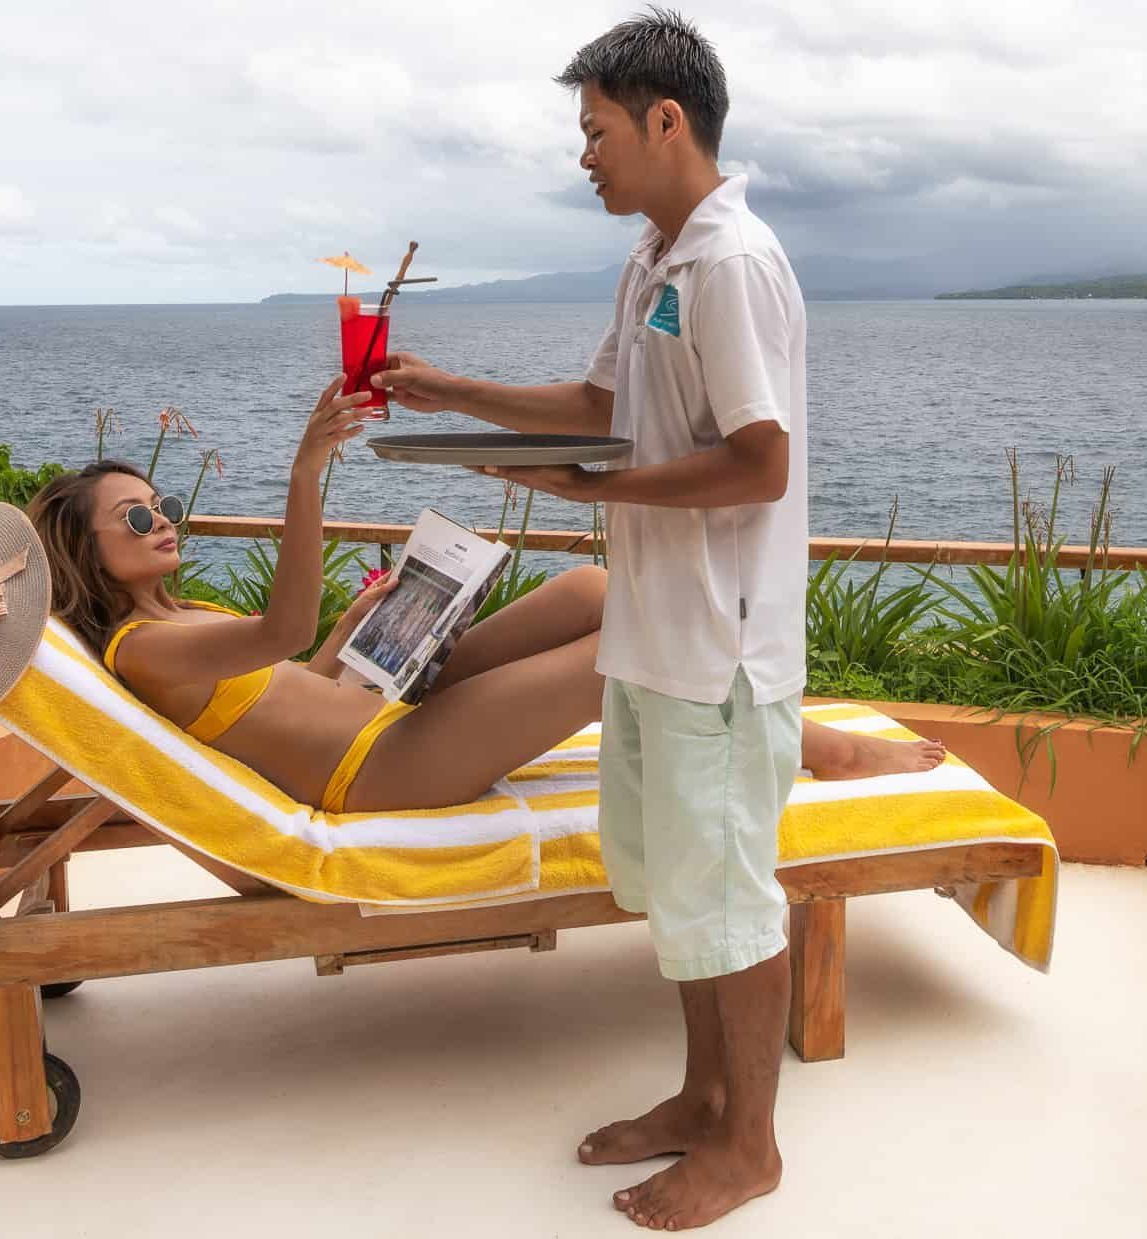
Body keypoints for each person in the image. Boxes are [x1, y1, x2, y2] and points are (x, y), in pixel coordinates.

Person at [370, 8, 831, 1229]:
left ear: (664, 120)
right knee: (682, 890)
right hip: (653, 638)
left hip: (719, 653)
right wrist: (448, 392)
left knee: (730, 894)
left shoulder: (730, 265)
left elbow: (760, 462)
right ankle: (698, 1100)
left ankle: (752, 1145)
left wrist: (598, 487)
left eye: (596, 130)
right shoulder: (655, 263)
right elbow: (597, 403)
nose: (585, 156)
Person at [25, 375, 939, 821]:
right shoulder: (140, 651)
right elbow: (283, 627)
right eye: (137, 515)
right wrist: (306, 472)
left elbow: (287, 678)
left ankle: (762, 735)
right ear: (87, 553)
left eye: (165, 504)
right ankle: (823, 751)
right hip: (383, 768)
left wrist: (361, 626)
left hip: (374, 708)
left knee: (590, 587)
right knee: (618, 653)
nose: (162, 520)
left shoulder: (176, 625)